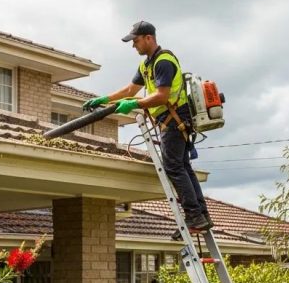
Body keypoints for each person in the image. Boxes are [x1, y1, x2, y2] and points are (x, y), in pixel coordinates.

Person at [83, 21, 213, 235]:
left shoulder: (164, 61)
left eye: (135, 40)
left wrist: (135, 104)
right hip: (168, 120)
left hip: (175, 119)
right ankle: (201, 215)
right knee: (182, 166)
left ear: (148, 38)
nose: (134, 45)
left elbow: (162, 95)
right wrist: (104, 99)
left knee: (173, 167)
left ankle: (194, 216)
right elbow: (130, 89)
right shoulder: (146, 66)